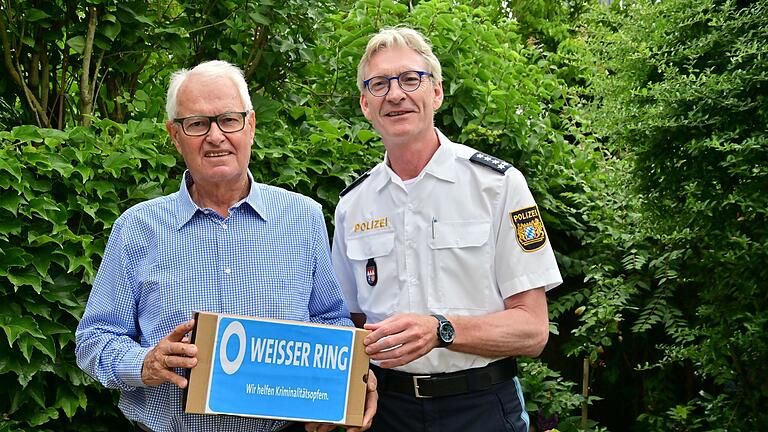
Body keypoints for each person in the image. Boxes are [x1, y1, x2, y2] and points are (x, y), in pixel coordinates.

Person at [75, 60, 376, 432]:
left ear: (250, 125)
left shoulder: (303, 217)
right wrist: (144, 363)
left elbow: (331, 322)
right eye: (197, 123)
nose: (215, 136)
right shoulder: (136, 229)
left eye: (229, 120)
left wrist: (345, 384)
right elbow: (93, 340)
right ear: (174, 134)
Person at [331, 27, 562, 432]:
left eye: (409, 79)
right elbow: (345, 324)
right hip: (386, 412)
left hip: (481, 408)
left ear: (436, 93)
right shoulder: (353, 205)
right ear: (366, 105)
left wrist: (440, 331)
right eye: (379, 84)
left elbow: (533, 330)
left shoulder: (498, 186)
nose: (396, 94)